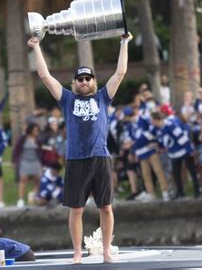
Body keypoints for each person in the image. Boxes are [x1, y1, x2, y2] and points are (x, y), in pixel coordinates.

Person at [27, 31, 133, 263]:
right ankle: (77, 254)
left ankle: (106, 252)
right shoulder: (67, 100)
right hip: (76, 159)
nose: (84, 82)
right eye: (80, 79)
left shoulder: (103, 97)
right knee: (76, 210)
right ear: (74, 83)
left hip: (100, 157)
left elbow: (121, 72)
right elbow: (45, 77)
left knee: (106, 208)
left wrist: (124, 42)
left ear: (94, 81)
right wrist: (36, 47)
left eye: (88, 79)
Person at [151, 112, 200, 199]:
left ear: (156, 120)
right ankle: (180, 192)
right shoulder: (158, 129)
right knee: (176, 173)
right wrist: (158, 145)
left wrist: (189, 150)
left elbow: (181, 137)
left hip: (183, 151)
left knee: (191, 171)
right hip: (173, 154)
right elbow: (163, 141)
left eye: (152, 120)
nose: (151, 122)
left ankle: (197, 191)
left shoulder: (170, 126)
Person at [12, 123, 43, 208]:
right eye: (35, 130)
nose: (37, 132)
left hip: (35, 161)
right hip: (25, 161)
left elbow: (40, 151)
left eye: (37, 130)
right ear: (31, 130)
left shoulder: (38, 140)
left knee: (38, 180)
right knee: (23, 180)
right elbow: (16, 150)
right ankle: (20, 200)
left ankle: (35, 197)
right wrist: (14, 161)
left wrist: (41, 163)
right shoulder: (23, 139)